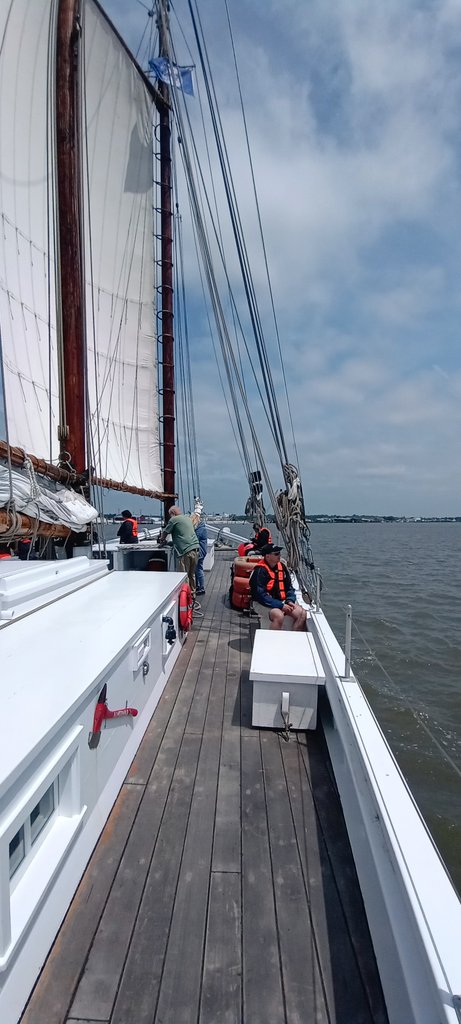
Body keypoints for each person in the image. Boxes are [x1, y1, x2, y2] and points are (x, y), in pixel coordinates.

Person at [250, 543, 307, 631]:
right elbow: (260, 595)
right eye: (276, 554)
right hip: (262, 603)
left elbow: (289, 587)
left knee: (302, 614)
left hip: (281, 602)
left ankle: (293, 637)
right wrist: (280, 605)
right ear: (267, 556)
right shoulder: (260, 571)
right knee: (278, 615)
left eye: (279, 553)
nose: (279, 556)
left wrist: (290, 600)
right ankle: (274, 639)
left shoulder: (282, 567)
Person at [158, 506, 200, 602]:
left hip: (185, 550)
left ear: (172, 513)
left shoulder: (174, 519)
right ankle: (193, 594)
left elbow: (165, 532)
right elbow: (183, 534)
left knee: (184, 575)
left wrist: (162, 540)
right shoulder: (188, 518)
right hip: (195, 548)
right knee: (192, 574)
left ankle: (186, 597)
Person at [191, 513, 208, 595]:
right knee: (197, 569)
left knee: (198, 569)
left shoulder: (200, 529)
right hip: (201, 551)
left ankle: (201, 587)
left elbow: (195, 539)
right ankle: (198, 586)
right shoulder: (201, 528)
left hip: (200, 552)